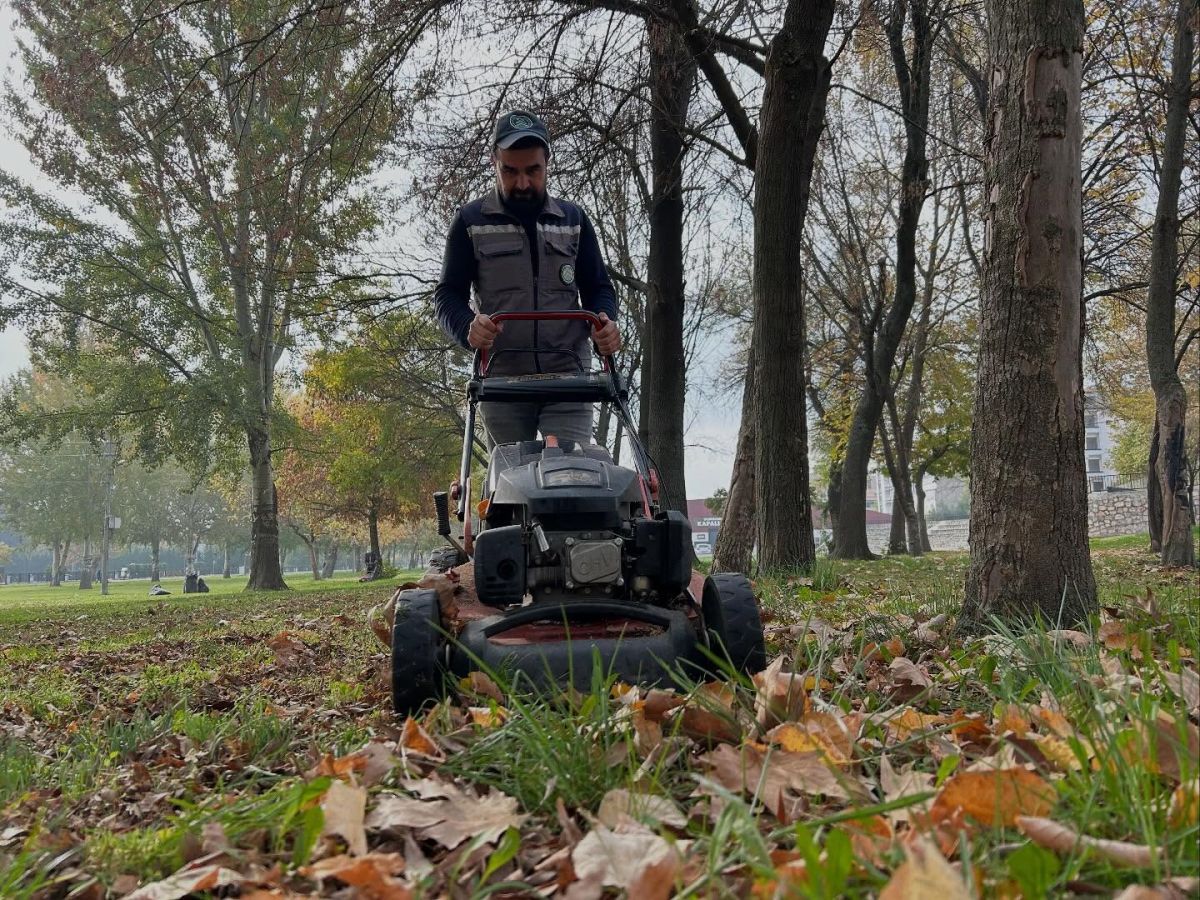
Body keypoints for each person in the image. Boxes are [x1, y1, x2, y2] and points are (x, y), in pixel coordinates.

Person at [434, 109, 622, 446]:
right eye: (510, 171)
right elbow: (447, 295)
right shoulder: (470, 222)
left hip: (568, 376)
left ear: (547, 162)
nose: (522, 183)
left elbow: (598, 288)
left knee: (571, 477)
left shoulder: (573, 221)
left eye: (533, 170)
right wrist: (467, 327)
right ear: (495, 162)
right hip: (503, 378)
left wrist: (604, 324)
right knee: (510, 485)